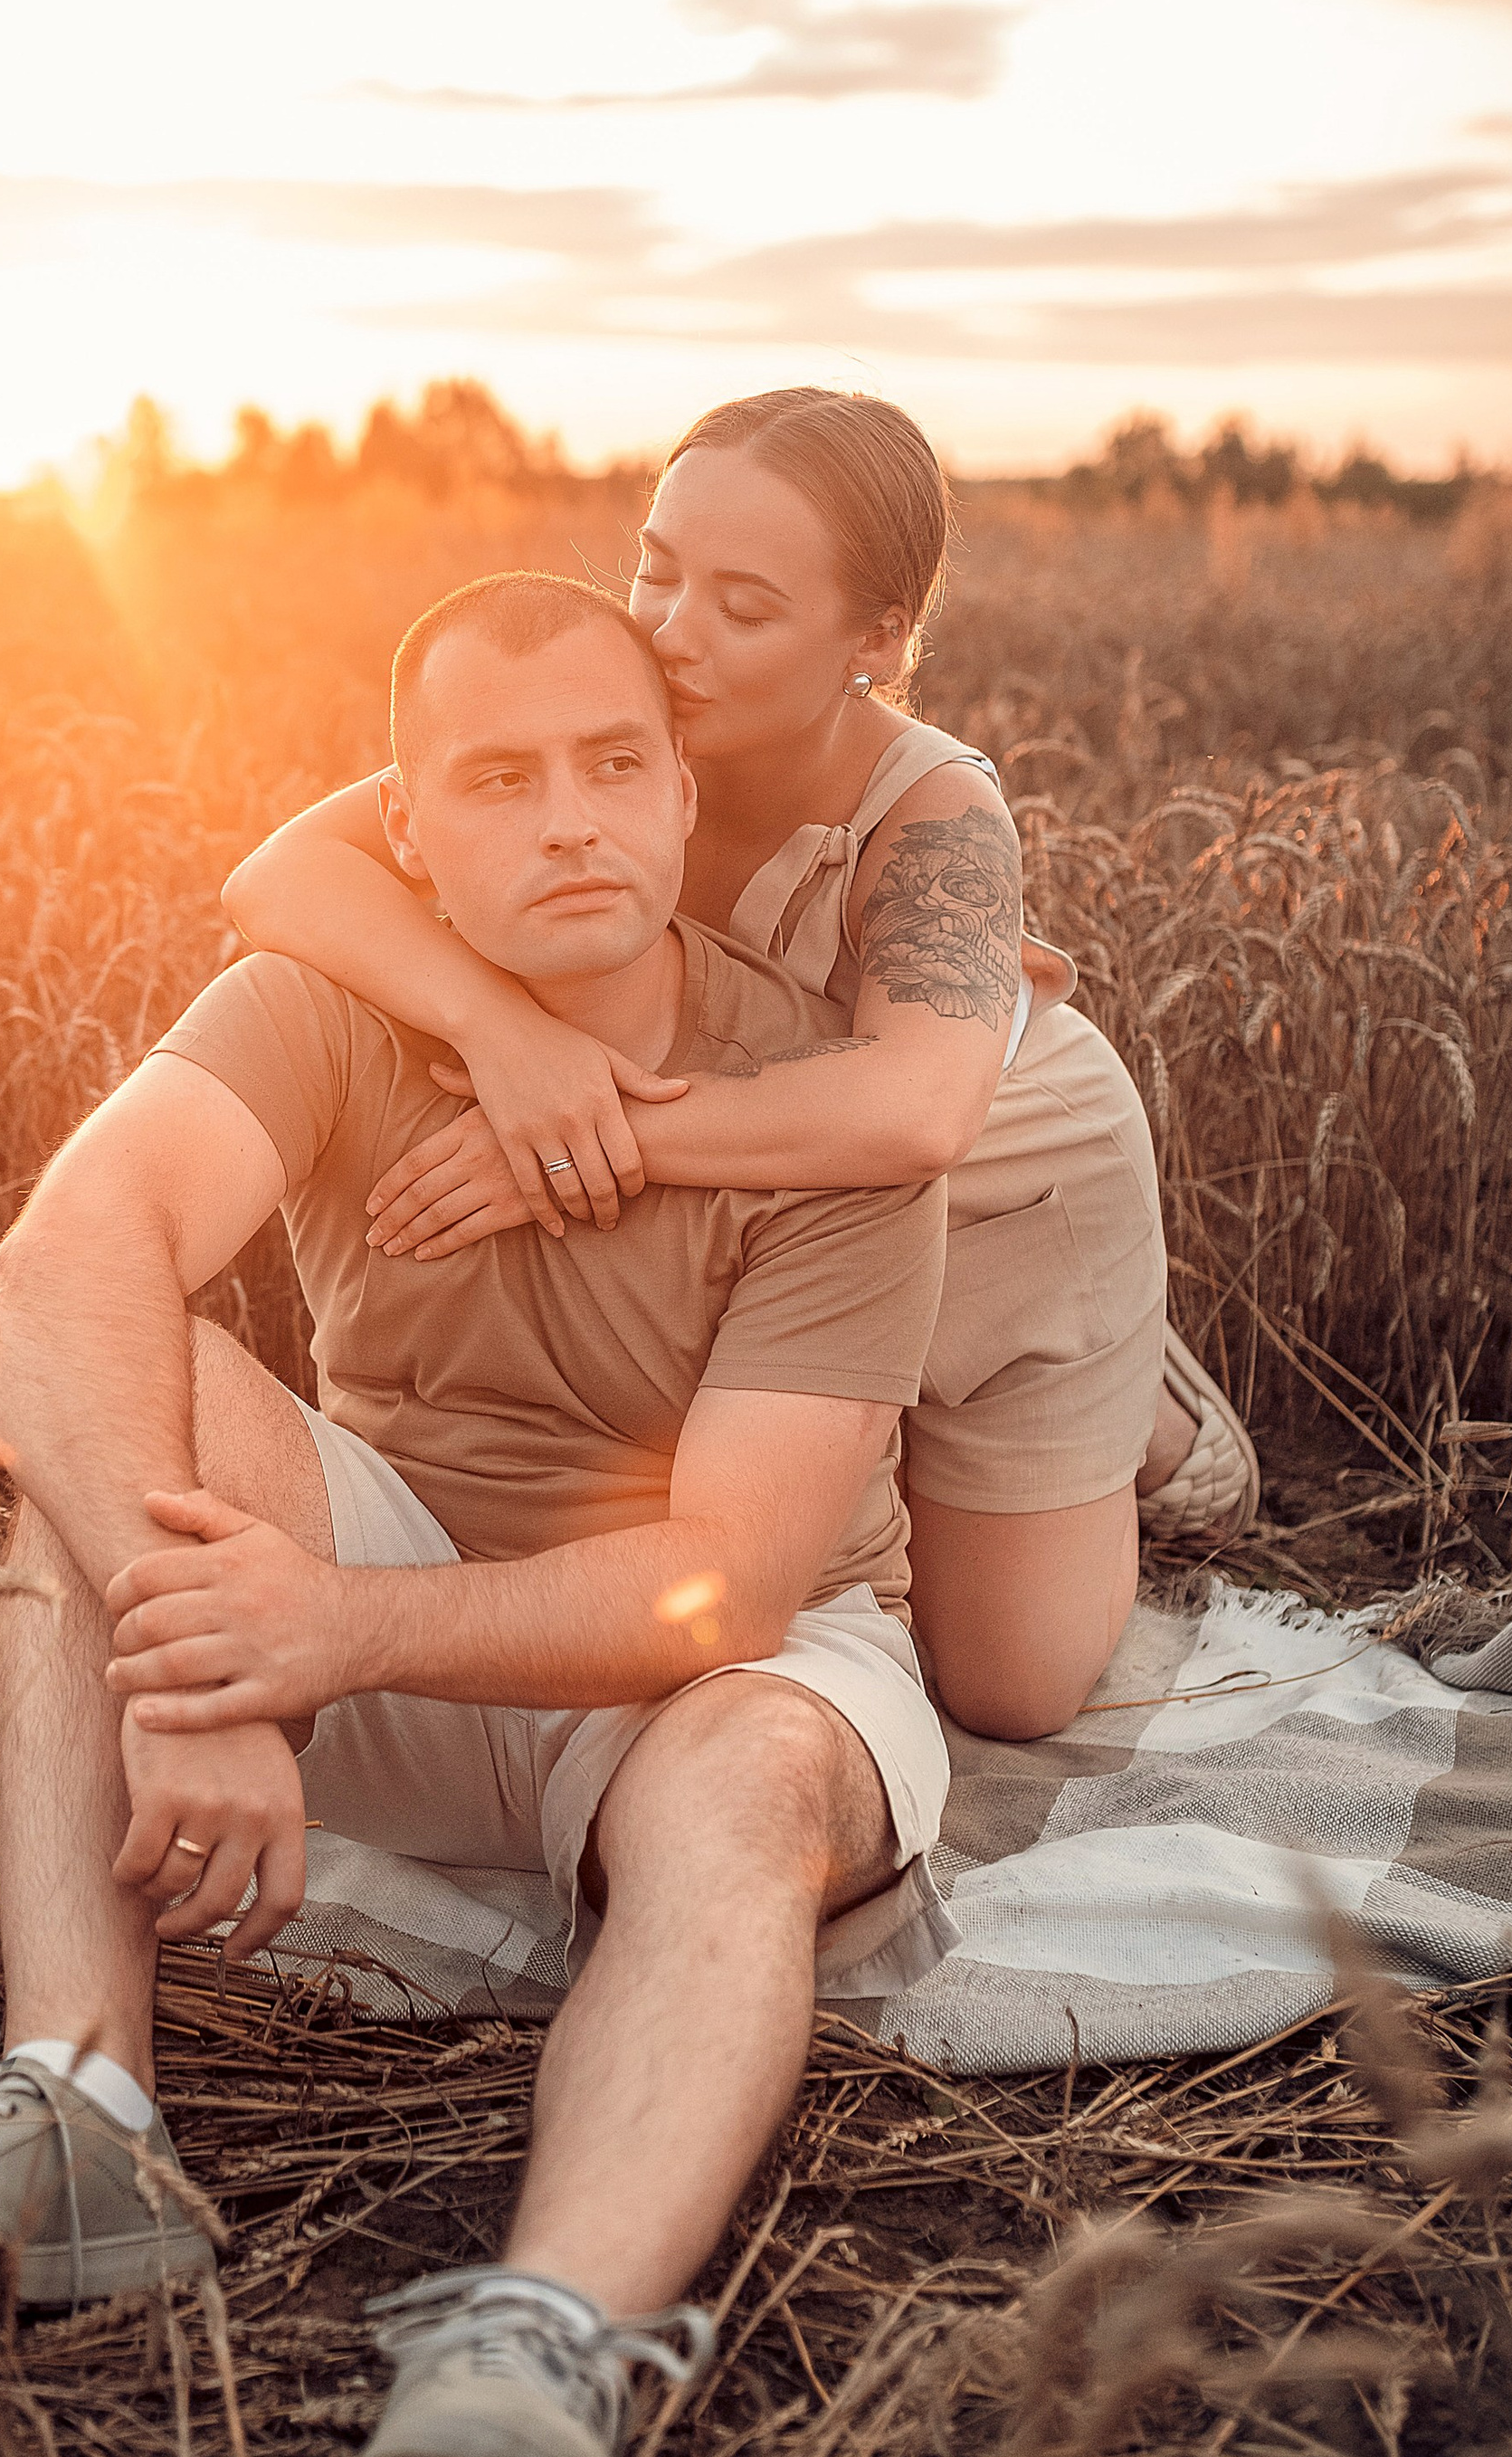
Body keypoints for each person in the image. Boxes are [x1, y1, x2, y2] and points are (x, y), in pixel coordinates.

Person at [0, 571, 954, 2457]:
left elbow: (717, 1582)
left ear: (676, 792)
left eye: (614, 765)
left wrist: (316, 1644)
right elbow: (67, 1253)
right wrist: (196, 1651)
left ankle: (533, 2356)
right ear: (405, 833)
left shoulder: (815, 1111)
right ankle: (79, 2112)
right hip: (380, 1566)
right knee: (122, 1394)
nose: (566, 823)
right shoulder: (325, 1007)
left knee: (747, 1767)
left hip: (711, 1662)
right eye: (497, 781)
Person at [223, 387, 1257, 1747]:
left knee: (1009, 1688)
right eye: (657, 567)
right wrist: (512, 1043)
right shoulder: (608, 719)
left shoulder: (935, 807)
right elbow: (280, 876)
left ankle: (1151, 1414)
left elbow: (921, 1107)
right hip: (777, 1205)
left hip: (1006, 1189)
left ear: (874, 640)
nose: (671, 632)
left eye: (746, 608)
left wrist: (580, 1132)